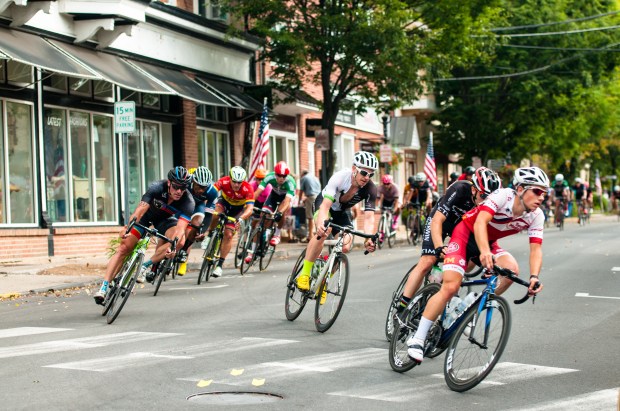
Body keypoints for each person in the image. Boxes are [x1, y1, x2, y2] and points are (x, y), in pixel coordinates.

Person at [406, 166, 548, 362]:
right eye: (538, 191)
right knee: (450, 287)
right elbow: (480, 222)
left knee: (511, 271)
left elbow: (536, 249)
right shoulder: (503, 196)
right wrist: (484, 253)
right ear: (521, 189)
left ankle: (471, 304)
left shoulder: (536, 216)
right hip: (465, 234)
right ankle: (418, 339)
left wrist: (534, 277)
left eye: (544, 193)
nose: (542, 197)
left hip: (488, 243)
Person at [394, 167, 501, 319]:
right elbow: (437, 219)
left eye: (490, 198)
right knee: (428, 261)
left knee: (466, 262)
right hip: (441, 222)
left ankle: (438, 290)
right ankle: (402, 306)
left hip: (460, 230)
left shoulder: (489, 207)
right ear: (473, 189)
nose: (486, 201)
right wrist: (438, 246)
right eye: (483, 195)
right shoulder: (459, 189)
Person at [94, 166, 195, 304]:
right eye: (176, 187)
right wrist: (128, 229)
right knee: (124, 248)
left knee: (179, 242)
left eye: (183, 188)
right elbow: (140, 210)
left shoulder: (188, 201)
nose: (179, 191)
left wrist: (173, 246)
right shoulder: (157, 187)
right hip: (146, 217)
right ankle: (104, 287)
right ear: (169, 183)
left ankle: (145, 265)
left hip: (165, 221)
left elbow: (180, 228)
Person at [295, 151, 379, 292]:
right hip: (324, 204)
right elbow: (326, 205)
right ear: (354, 169)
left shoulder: (370, 188)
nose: (367, 177)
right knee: (324, 231)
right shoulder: (340, 177)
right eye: (364, 173)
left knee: (346, 244)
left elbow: (369, 217)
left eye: (371, 174)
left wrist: (368, 238)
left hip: (341, 212)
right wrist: (321, 223)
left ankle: (324, 278)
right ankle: (305, 274)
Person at [209, 166, 255, 278]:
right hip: (223, 203)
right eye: (234, 181)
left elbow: (249, 208)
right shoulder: (223, 181)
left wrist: (241, 218)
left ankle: (219, 265)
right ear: (230, 178)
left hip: (237, 211)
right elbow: (211, 192)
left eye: (239, 182)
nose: (236, 185)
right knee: (216, 213)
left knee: (228, 235)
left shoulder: (248, 189)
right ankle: (210, 234)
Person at [176, 166, 218, 276]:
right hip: (182, 203)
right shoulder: (186, 181)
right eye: (198, 186)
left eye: (203, 188)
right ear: (193, 181)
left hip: (197, 205)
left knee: (196, 225)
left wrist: (202, 232)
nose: (200, 190)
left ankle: (184, 253)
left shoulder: (212, 192)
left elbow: (208, 215)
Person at [298, 170, 322, 242]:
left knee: (310, 217)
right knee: (317, 216)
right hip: (319, 197)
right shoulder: (315, 178)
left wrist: (299, 201)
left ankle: (311, 236)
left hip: (311, 197)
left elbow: (301, 191)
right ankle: (317, 234)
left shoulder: (304, 178)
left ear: (302, 174)